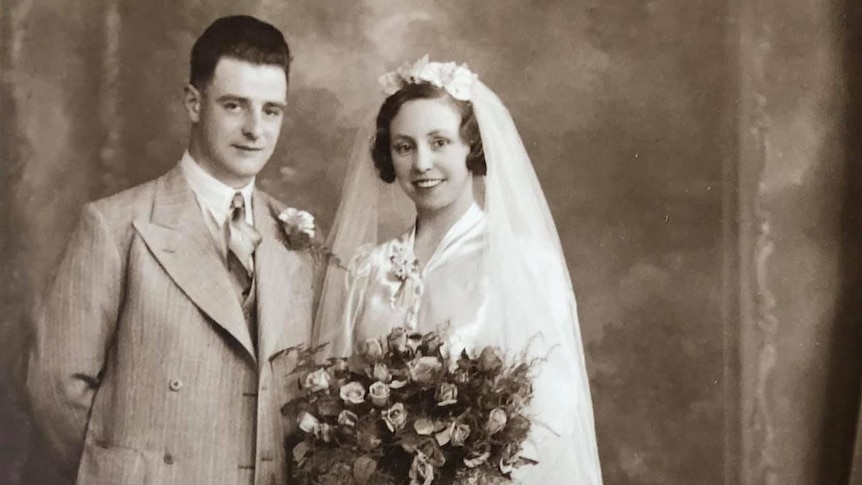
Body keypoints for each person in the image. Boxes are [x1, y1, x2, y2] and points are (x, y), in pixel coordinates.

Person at [26, 15, 316, 485]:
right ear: (193, 102)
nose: (255, 129)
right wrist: (122, 471)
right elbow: (56, 387)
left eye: (271, 110)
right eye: (234, 105)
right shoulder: (115, 225)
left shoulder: (295, 238)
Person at [314, 56, 604, 483]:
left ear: (472, 147)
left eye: (440, 142)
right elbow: (335, 403)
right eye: (404, 146)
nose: (422, 164)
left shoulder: (518, 263)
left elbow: (553, 415)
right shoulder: (367, 271)